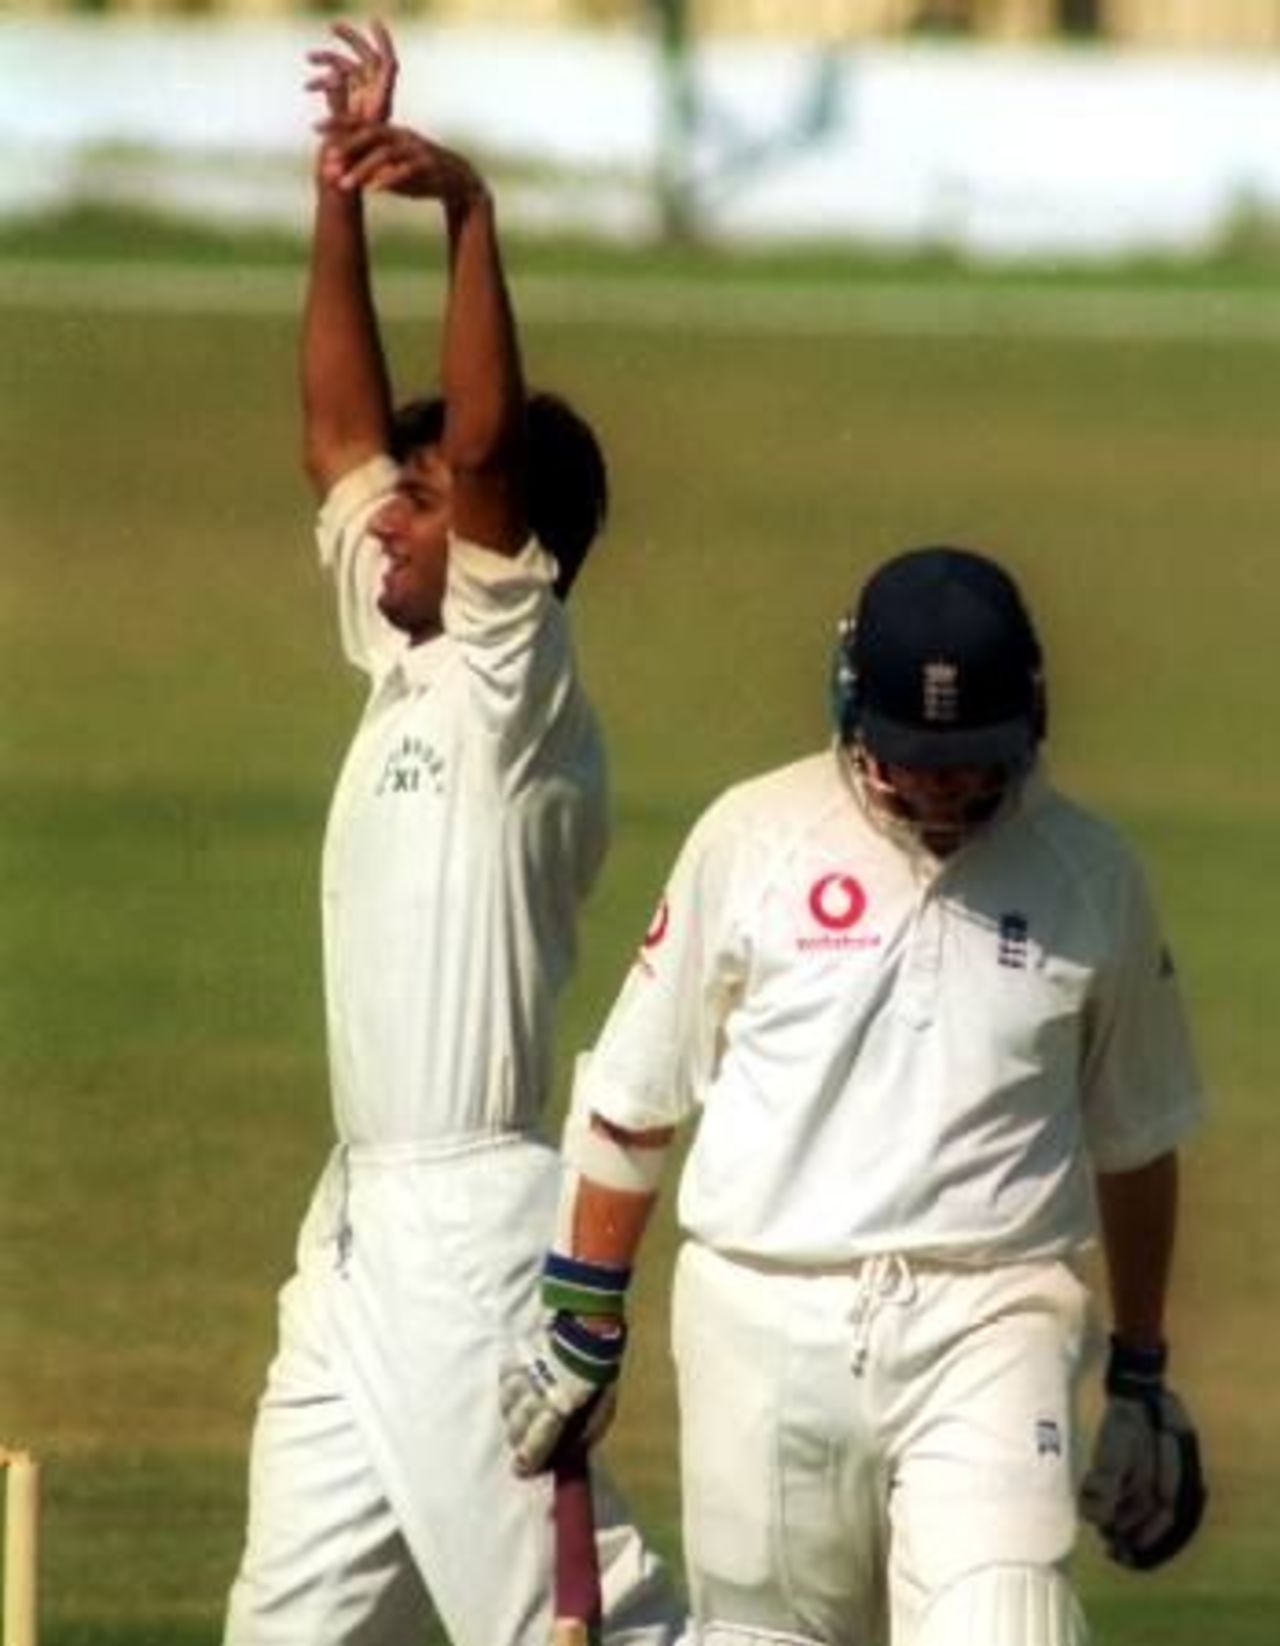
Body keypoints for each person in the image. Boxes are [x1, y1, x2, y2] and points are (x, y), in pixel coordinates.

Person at [501, 544, 1208, 1646]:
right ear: (848, 708)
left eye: (968, 760)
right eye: (911, 755)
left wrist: (1140, 1370)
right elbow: (634, 1095)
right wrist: (583, 1313)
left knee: (1009, 1624)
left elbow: (1135, 1137)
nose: (940, 784)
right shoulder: (753, 837)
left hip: (992, 1311)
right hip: (761, 1315)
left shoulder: (1089, 875)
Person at [222, 21, 683, 1646]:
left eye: (423, 503)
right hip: (354, 1232)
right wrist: (337, 192)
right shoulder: (405, 649)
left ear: (509, 549)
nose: (388, 520)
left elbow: (481, 451)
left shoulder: (511, 667)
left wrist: (470, 212)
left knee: (574, 1624)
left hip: (474, 1229)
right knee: (291, 1625)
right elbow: (336, 442)